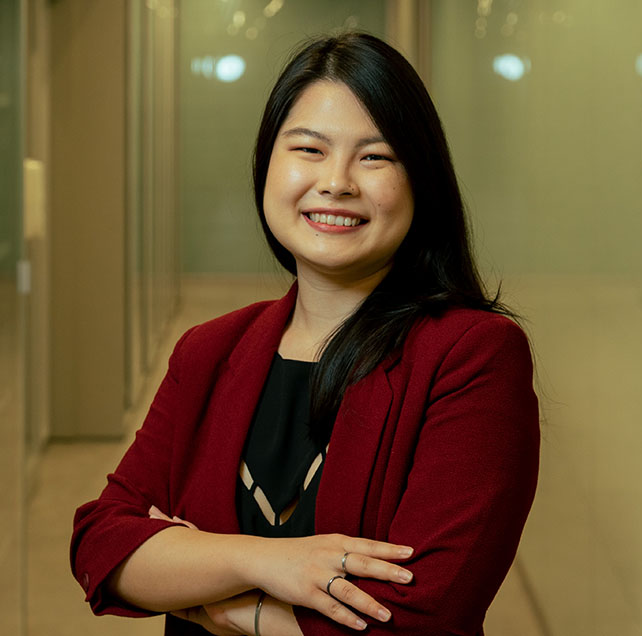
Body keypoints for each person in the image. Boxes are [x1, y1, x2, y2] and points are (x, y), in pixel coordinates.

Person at [70, 32, 539, 636]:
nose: (337, 182)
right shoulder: (210, 350)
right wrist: (269, 561)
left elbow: (423, 619)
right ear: (269, 165)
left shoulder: (472, 356)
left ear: (422, 182)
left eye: (376, 156)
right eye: (309, 149)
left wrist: (216, 597)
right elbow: (101, 544)